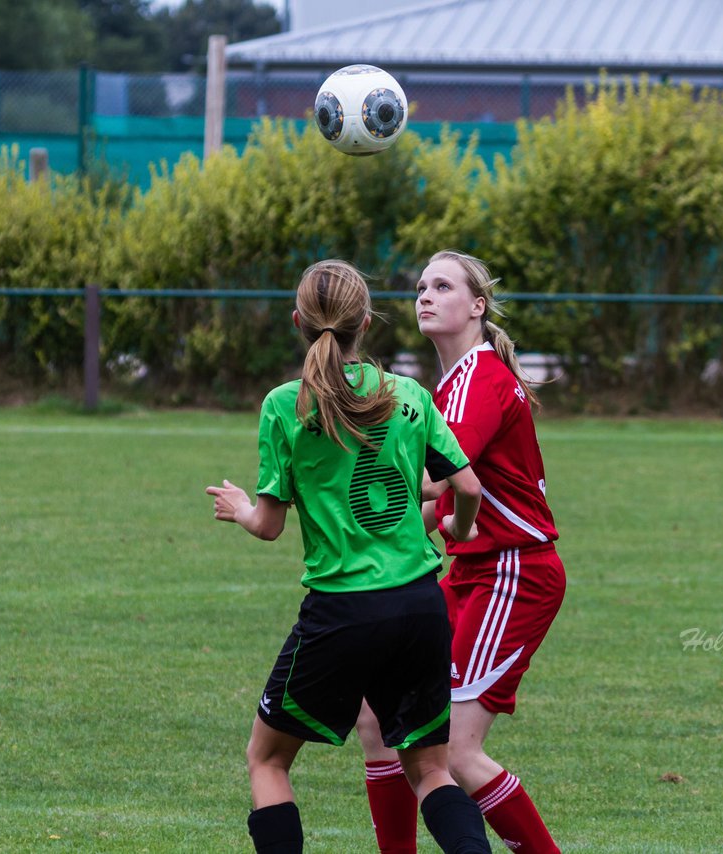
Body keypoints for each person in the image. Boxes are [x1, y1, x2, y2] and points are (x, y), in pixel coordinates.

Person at [206, 259, 492, 854]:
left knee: (267, 761)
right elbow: (466, 488)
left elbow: (269, 526)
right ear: (367, 320)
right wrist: (458, 533)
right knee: (431, 772)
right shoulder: (410, 394)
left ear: (297, 323)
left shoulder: (287, 404)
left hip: (342, 613)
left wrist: (238, 509)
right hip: (418, 607)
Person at [357, 250, 565, 854]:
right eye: (421, 286)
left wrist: (350, 482)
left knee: (456, 752)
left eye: (442, 286)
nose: (425, 294)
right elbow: (442, 503)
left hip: (512, 574)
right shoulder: (450, 385)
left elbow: (435, 480)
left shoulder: (478, 378)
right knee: (378, 718)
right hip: (472, 570)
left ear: (477, 307)